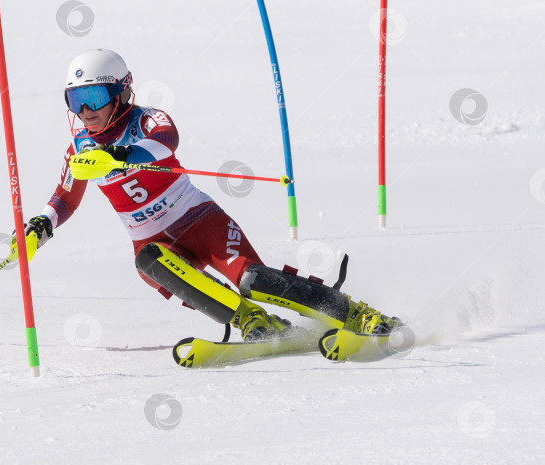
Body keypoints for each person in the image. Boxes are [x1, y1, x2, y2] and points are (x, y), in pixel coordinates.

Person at [24, 48, 398, 341]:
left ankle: (353, 313)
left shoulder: (145, 119)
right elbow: (65, 198)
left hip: (200, 221)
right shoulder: (79, 150)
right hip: (153, 243)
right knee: (149, 263)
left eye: (93, 96)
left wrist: (119, 156)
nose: (85, 111)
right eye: (75, 100)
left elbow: (166, 141)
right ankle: (252, 321)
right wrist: (40, 226)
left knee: (253, 280)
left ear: (121, 93)